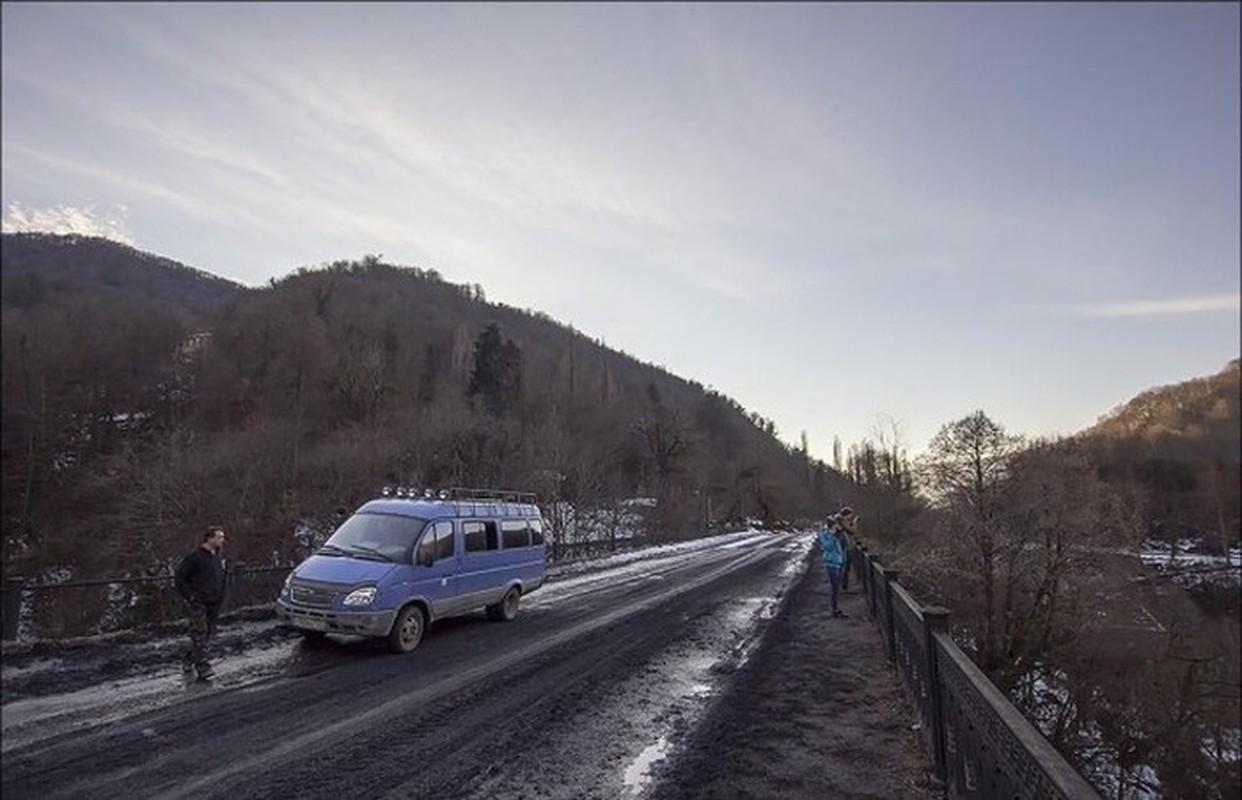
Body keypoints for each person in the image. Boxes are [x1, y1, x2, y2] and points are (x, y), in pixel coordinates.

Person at [174, 526, 229, 681]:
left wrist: (221, 594)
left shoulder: (217, 556)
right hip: (199, 601)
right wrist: (189, 596)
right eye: (219, 537)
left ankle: (189, 658)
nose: (222, 540)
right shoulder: (195, 557)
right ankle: (203, 667)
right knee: (199, 632)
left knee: (207, 633)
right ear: (209, 538)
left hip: (214, 600)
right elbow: (180, 577)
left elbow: (221, 576)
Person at [816, 515, 848, 618]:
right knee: (835, 587)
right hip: (831, 563)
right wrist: (833, 536)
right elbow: (828, 546)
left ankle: (836, 608)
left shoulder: (837, 534)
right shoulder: (824, 534)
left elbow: (846, 544)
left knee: (837, 587)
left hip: (839, 561)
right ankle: (834, 609)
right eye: (834, 525)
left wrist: (841, 533)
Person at [836, 507, 858, 592]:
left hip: (842, 547)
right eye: (850, 515)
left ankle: (842, 585)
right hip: (845, 548)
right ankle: (843, 586)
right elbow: (852, 531)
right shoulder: (843, 521)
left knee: (844, 566)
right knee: (845, 566)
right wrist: (855, 523)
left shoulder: (840, 521)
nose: (851, 517)